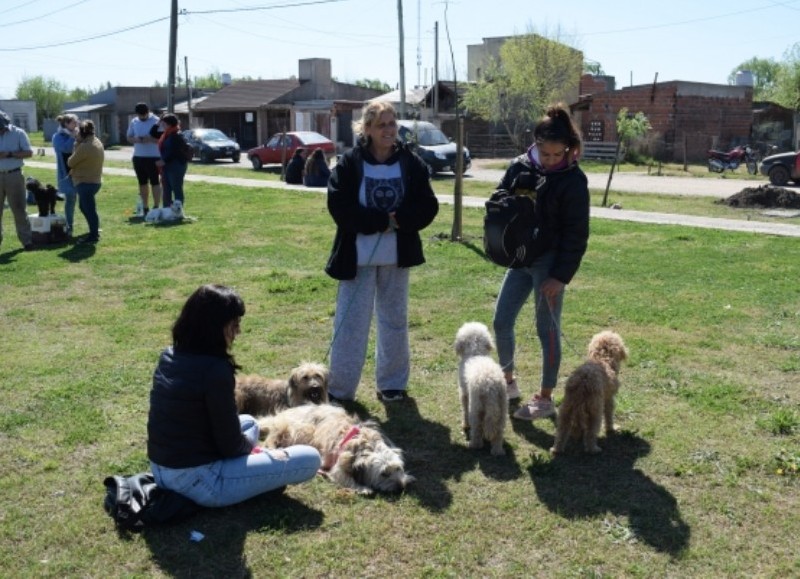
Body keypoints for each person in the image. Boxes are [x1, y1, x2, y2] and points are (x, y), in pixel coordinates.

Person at [147, 284, 321, 508]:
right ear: (215, 326)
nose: (238, 331)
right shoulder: (214, 370)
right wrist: (260, 453)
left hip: (162, 468)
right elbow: (229, 444)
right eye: (234, 324)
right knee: (309, 459)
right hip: (198, 481)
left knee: (249, 422)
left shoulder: (169, 355)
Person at [325, 101, 439, 403]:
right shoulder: (350, 162)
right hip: (357, 259)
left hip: (396, 257)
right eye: (382, 125)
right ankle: (340, 389)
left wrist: (400, 220)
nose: (389, 130)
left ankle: (392, 384)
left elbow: (428, 205)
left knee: (394, 321)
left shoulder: (410, 163)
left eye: (392, 124)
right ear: (367, 129)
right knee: (351, 324)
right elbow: (338, 205)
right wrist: (377, 221)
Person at [492, 104, 590, 421]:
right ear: (534, 144)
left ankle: (545, 398)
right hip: (519, 259)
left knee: (546, 330)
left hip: (549, 263)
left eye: (556, 155)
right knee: (501, 321)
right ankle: (508, 382)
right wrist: (506, 207)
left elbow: (577, 234)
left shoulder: (573, 181)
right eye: (544, 153)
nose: (549, 161)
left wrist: (560, 276)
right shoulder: (519, 166)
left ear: (569, 149)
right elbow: (498, 199)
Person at [0, 109, 34, 251]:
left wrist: (9, 154)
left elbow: (29, 152)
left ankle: (27, 241)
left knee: (19, 209)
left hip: (14, 175)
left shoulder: (18, 133)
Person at [67, 120, 104, 244]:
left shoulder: (84, 146)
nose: (76, 136)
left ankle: (94, 235)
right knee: (84, 207)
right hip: (95, 181)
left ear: (83, 134)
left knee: (89, 209)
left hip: (85, 182)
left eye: (77, 134)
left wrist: (76, 145)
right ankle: (93, 229)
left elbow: (70, 162)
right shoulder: (97, 141)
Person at [126, 102, 162, 214]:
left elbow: (162, 140)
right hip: (138, 157)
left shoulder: (156, 121)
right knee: (142, 183)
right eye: (140, 115)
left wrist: (150, 139)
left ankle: (156, 206)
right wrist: (136, 139)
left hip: (154, 157)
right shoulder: (134, 121)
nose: (142, 117)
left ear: (148, 112)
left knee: (155, 182)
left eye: (144, 115)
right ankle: (145, 207)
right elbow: (129, 137)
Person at [52, 113, 78, 235]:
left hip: (81, 172)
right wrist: (73, 137)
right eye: (74, 122)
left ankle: (92, 227)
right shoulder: (57, 137)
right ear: (66, 124)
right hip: (66, 174)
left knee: (85, 200)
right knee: (70, 199)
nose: (77, 124)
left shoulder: (79, 134)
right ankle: (69, 227)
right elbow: (66, 149)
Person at [156, 114, 188, 208]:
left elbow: (174, 152)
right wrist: (157, 124)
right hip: (167, 165)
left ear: (169, 124)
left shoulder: (176, 135)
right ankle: (167, 210)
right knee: (166, 189)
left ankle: (178, 211)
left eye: (164, 124)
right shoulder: (166, 134)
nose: (162, 126)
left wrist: (164, 161)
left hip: (176, 165)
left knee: (176, 188)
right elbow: (153, 132)